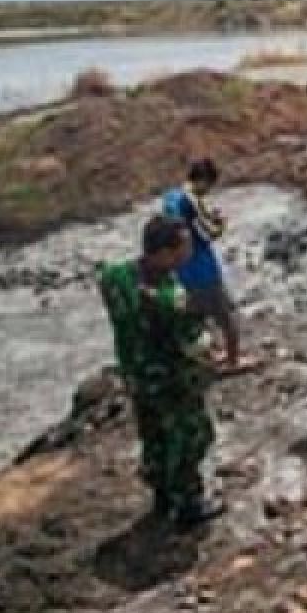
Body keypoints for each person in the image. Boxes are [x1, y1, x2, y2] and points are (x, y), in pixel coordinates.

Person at [97, 215, 224, 526]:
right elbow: (196, 345)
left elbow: (107, 284)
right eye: (185, 247)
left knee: (153, 434)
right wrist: (213, 348)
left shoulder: (117, 278)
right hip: (172, 380)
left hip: (136, 376)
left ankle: (162, 497)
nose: (190, 252)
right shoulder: (171, 299)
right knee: (191, 435)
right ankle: (188, 505)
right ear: (166, 252)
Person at [162, 158, 242, 370]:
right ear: (204, 181)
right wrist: (220, 224)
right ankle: (233, 360)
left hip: (183, 272)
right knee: (226, 317)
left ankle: (206, 357)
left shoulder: (170, 198)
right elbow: (207, 233)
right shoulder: (191, 202)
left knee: (196, 318)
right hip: (203, 270)